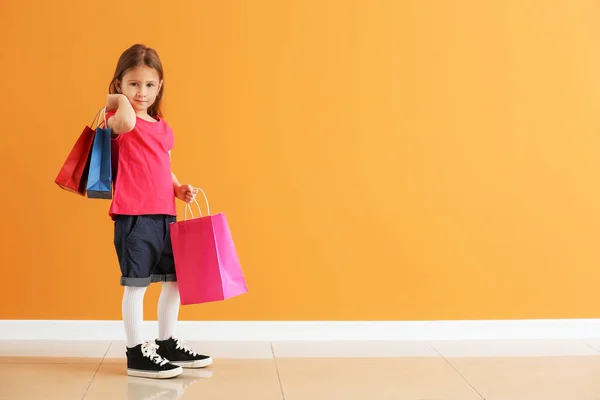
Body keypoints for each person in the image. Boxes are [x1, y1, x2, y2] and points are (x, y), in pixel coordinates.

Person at [105, 43, 212, 379]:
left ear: (160, 86)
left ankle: (166, 342)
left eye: (150, 85)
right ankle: (136, 352)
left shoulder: (161, 125)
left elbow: (163, 165)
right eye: (134, 84)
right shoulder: (118, 118)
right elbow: (122, 120)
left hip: (165, 213)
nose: (142, 92)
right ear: (120, 83)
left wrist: (177, 188)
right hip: (134, 215)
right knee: (137, 285)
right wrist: (118, 98)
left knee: (174, 281)